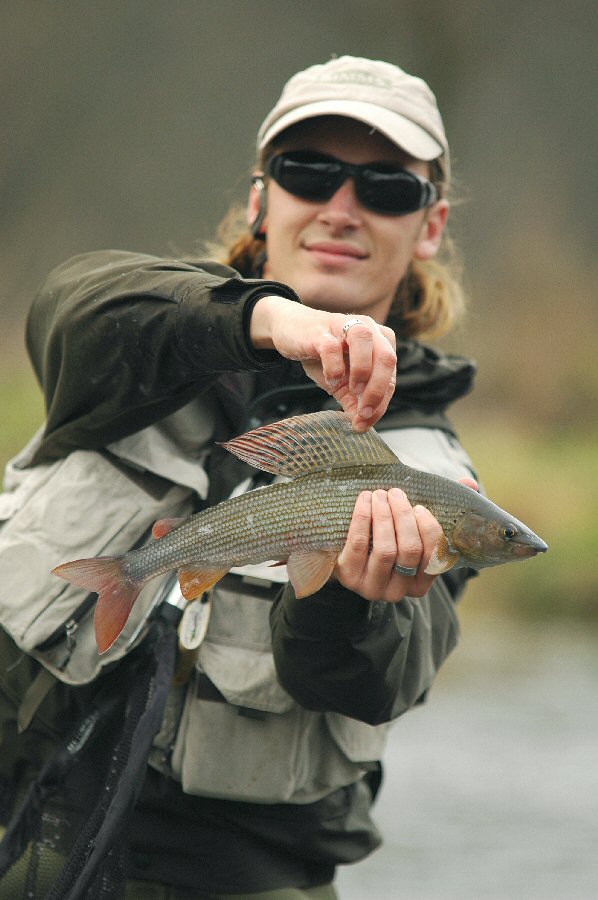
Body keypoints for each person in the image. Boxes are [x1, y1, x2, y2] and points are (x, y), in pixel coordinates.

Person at [0, 56, 479, 898]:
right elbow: (69, 304)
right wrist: (262, 319)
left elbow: (379, 680)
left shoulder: (438, 481)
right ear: (262, 199)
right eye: (308, 171)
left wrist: (344, 596)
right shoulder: (142, 348)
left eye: (387, 189)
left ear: (430, 225)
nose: (341, 208)